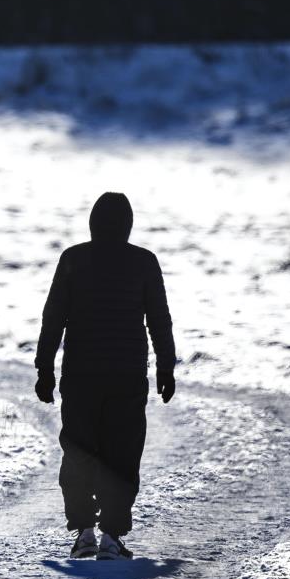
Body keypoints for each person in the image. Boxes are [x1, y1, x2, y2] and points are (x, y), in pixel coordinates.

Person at [34, 192, 176, 560]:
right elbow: (159, 319)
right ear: (128, 225)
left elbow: (54, 318)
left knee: (79, 452)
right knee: (122, 455)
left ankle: (83, 532)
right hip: (126, 378)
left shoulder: (73, 260)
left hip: (80, 376)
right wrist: (165, 366)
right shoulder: (144, 262)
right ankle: (111, 534)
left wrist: (44, 369)